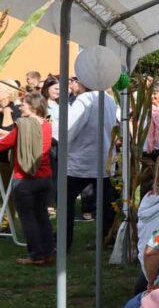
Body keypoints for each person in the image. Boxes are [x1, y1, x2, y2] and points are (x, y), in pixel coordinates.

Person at [64, 80, 118, 251]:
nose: (73, 84)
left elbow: (69, 128)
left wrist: (60, 141)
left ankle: (64, 241)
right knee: (106, 201)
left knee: (66, 200)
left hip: (83, 158)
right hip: (103, 158)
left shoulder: (84, 99)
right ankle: (107, 238)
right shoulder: (108, 98)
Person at [4, 94, 55, 266]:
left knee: (28, 219)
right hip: (45, 177)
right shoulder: (47, 125)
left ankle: (37, 256)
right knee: (42, 216)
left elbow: (4, 144)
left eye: (23, 105)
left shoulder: (22, 126)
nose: (20, 107)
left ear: (33, 107)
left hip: (24, 179)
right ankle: (49, 252)